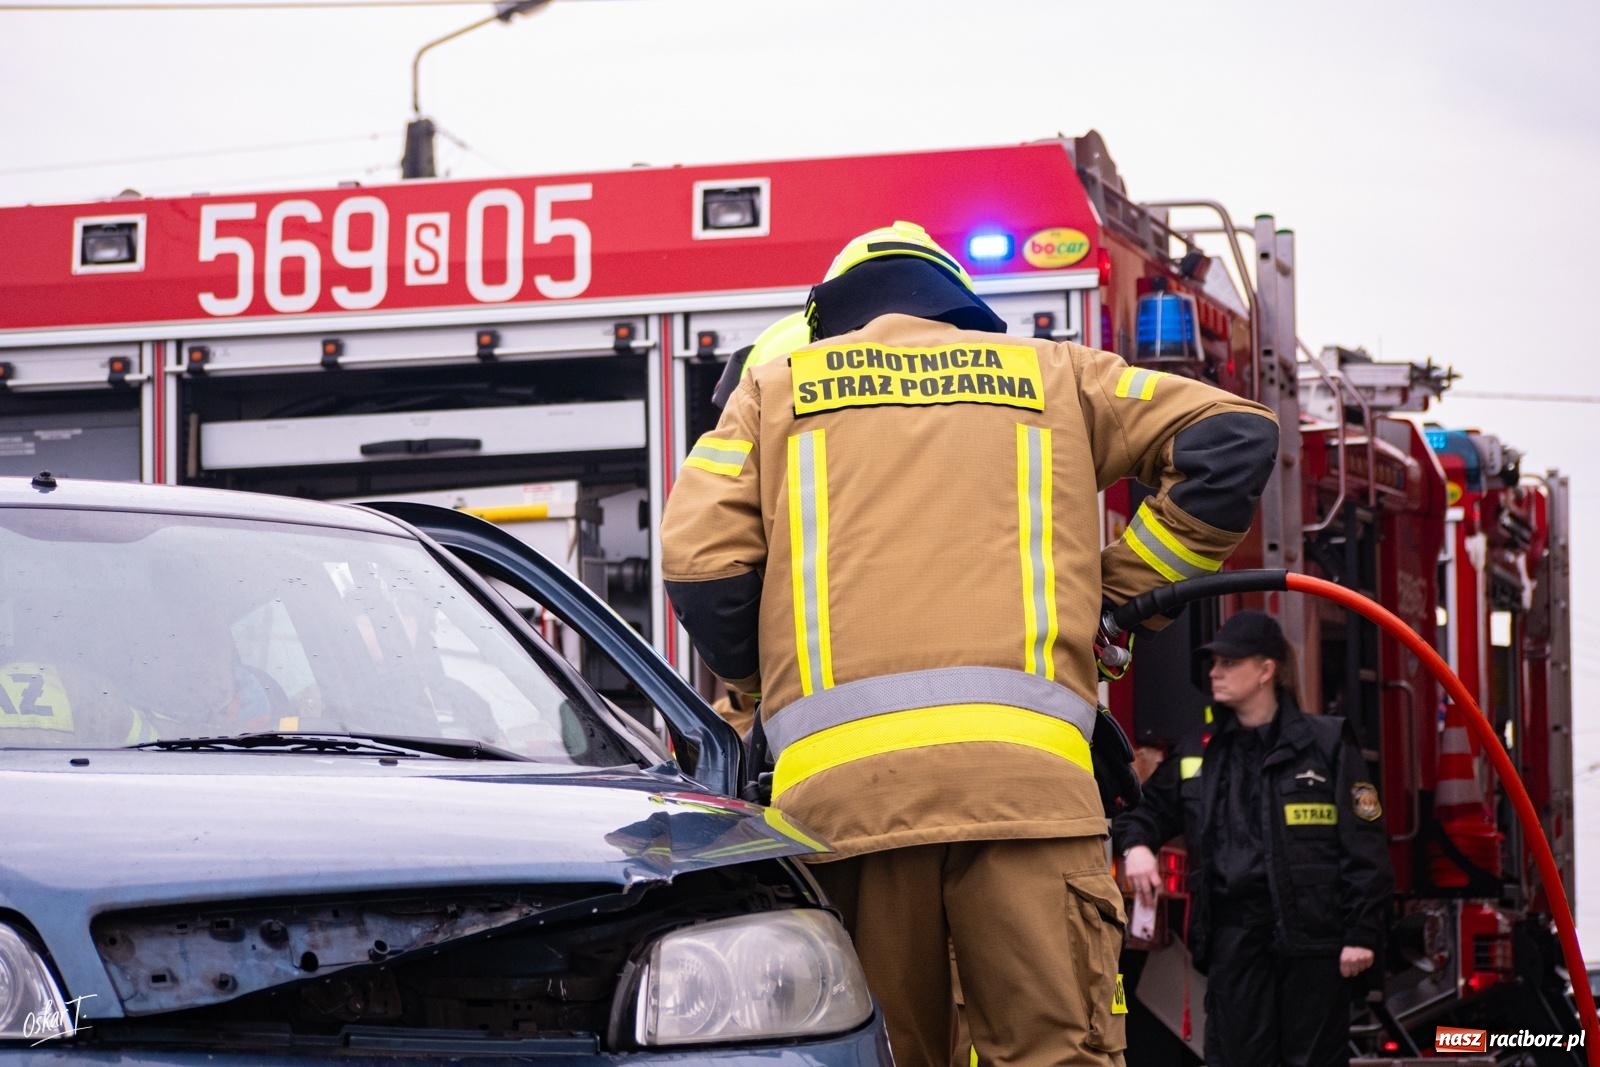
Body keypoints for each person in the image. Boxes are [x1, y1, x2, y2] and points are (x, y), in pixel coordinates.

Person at [659, 220, 1279, 1067]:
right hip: (1030, 799)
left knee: (873, 1054)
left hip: (843, 813)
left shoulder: (778, 388)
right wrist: (1121, 595)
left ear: (835, 310)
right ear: (958, 302)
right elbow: (1232, 441)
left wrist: (766, 686)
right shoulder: (1053, 375)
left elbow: (700, 568)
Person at [1113, 610, 1394, 1067]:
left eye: (1229, 663)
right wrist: (1137, 847)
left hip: (1314, 947)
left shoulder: (1325, 747)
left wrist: (1362, 934)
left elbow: (1364, 849)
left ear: (1266, 671)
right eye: (1214, 663)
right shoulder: (1199, 751)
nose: (1214, 673)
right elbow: (1147, 811)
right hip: (1234, 943)